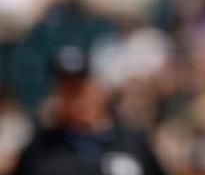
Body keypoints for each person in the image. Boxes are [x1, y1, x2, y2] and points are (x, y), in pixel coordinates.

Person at [12, 45, 165, 175]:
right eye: (67, 89)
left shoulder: (133, 142)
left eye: (82, 86)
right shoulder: (40, 150)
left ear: (99, 87)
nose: (77, 97)